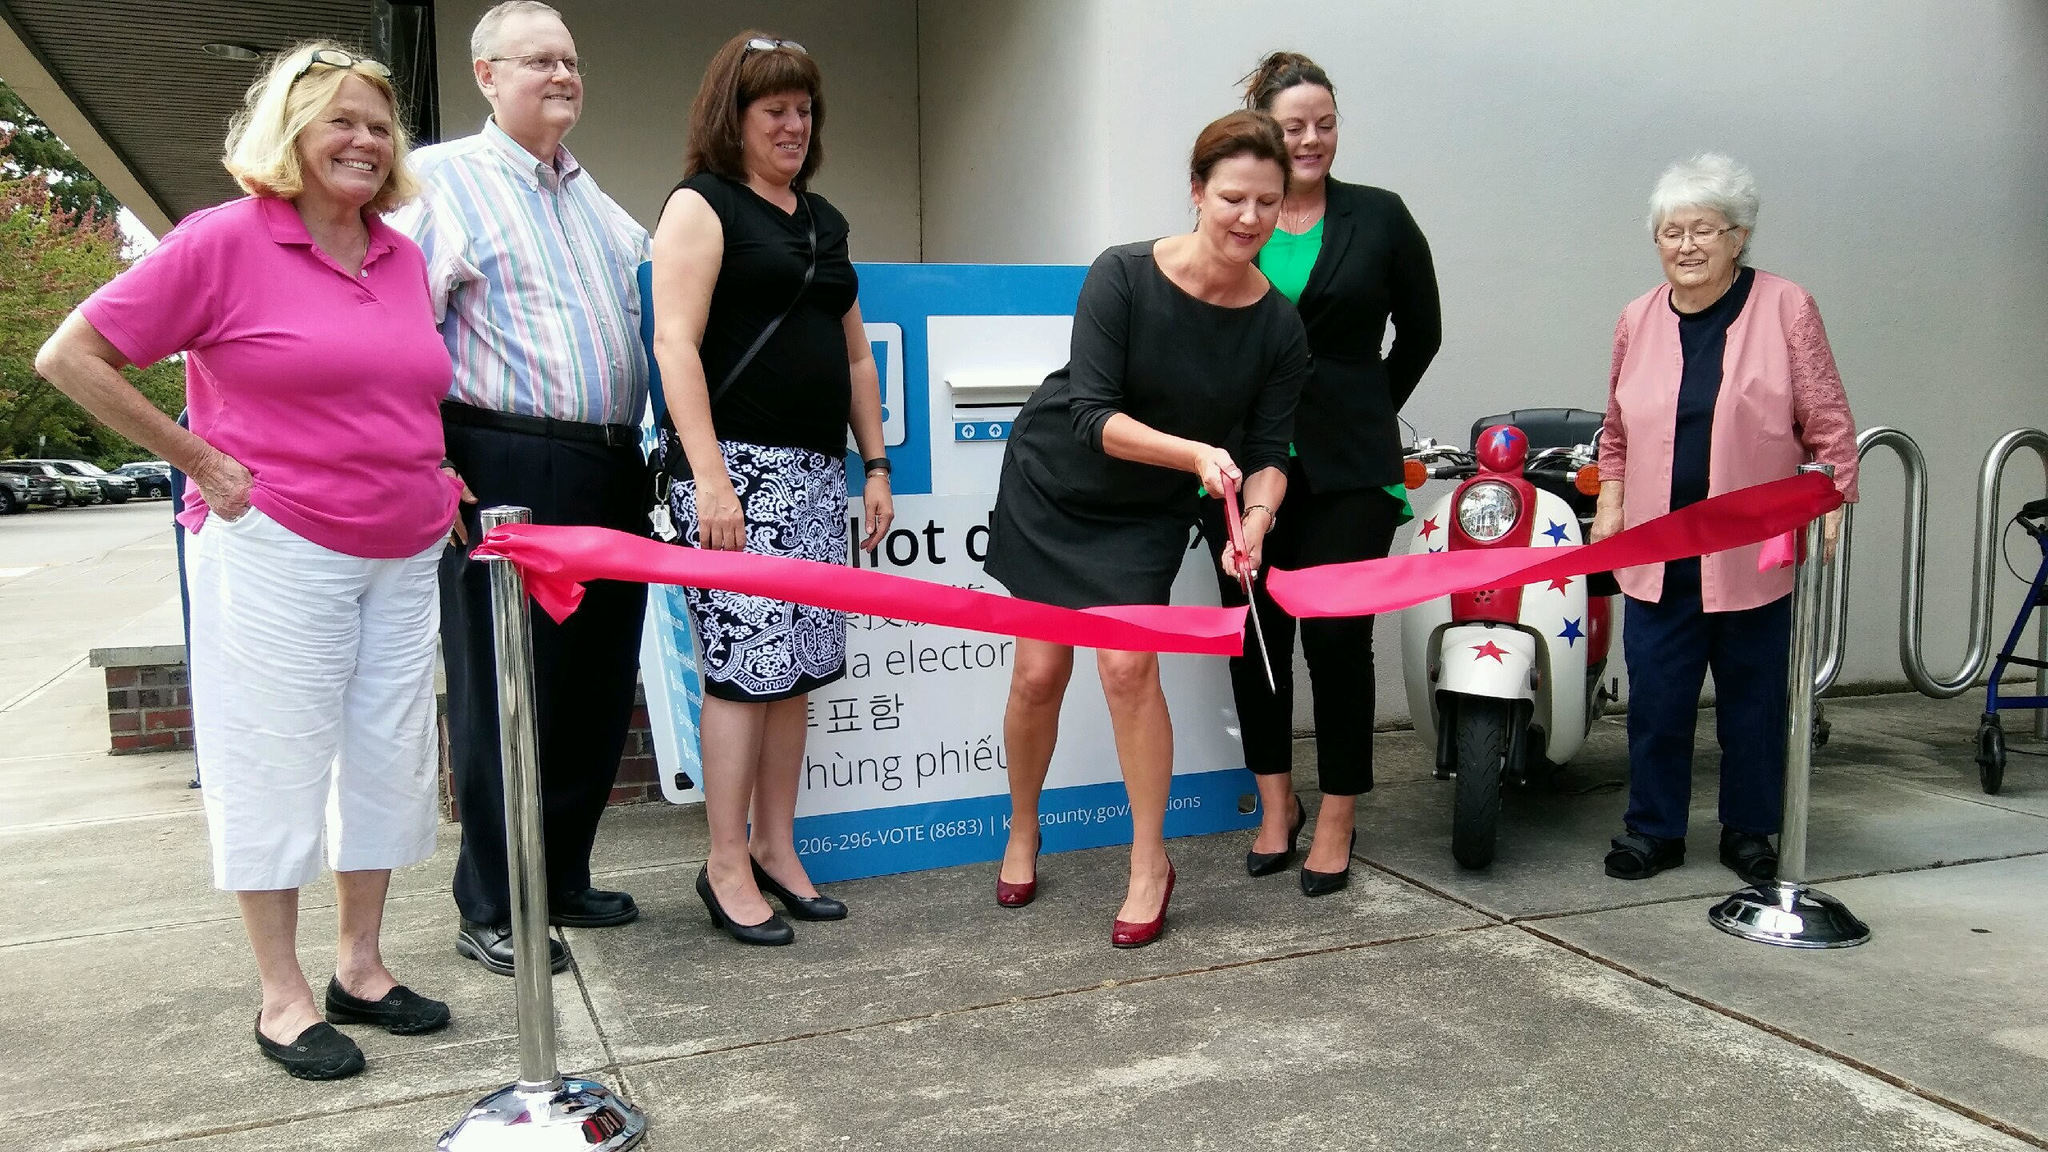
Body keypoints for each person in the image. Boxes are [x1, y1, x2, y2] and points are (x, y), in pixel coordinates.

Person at [35, 41, 456, 1080]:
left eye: (377, 124)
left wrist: (439, 477)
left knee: (389, 761)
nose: (363, 140)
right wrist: (198, 459)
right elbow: (69, 356)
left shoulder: (398, 251)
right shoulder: (223, 240)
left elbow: (401, 388)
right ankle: (282, 996)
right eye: (339, 121)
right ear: (290, 134)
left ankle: (361, 966)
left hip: (401, 549)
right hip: (281, 543)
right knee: (274, 758)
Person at [988, 110, 1309, 948]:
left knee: (1128, 666)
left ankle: (1147, 861)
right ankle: (1023, 826)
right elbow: (1094, 414)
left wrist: (1260, 521)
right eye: (1234, 197)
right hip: (1056, 479)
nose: (1249, 218)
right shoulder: (1123, 274)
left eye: (1268, 203)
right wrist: (1199, 453)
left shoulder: (1278, 325)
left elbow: (1270, 451)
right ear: (1198, 192)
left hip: (1148, 509)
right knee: (1037, 674)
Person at [390, 0, 651, 974]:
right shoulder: (443, 183)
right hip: (500, 465)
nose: (562, 76)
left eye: (571, 61)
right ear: (486, 75)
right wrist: (432, 461)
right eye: (538, 61)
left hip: (608, 463)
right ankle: (493, 904)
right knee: (511, 692)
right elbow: (399, 335)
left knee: (593, 688)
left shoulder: (596, 201)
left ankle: (563, 877)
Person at [650, 31, 893, 946]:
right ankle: (723, 865)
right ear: (734, 117)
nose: (793, 125)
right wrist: (710, 479)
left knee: (796, 675)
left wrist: (873, 465)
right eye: (774, 111)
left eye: (803, 110)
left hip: (814, 474)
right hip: (733, 473)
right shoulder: (701, 205)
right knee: (743, 676)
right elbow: (676, 344)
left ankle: (776, 849)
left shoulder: (822, 219)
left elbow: (857, 354)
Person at [1207, 51, 1442, 896]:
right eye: (1295, 124)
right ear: (1265, 129)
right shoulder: (1241, 216)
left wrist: (1367, 405)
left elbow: (1421, 330)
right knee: (1256, 636)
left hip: (1348, 468)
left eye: (1326, 122)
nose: (1312, 138)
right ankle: (1277, 806)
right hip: (1242, 464)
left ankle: (1338, 813)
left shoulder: (1380, 218)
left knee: (1340, 639)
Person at [1592, 153, 1858, 884]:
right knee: (1657, 702)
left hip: (1752, 549)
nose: (1686, 246)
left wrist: (1834, 496)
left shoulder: (1785, 307)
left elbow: (1827, 418)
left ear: (1738, 237)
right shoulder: (1635, 320)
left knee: (1753, 702)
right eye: (1671, 231)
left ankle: (1749, 831)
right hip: (1659, 549)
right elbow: (1616, 432)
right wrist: (1611, 504)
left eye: (1703, 230)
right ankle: (1653, 832)